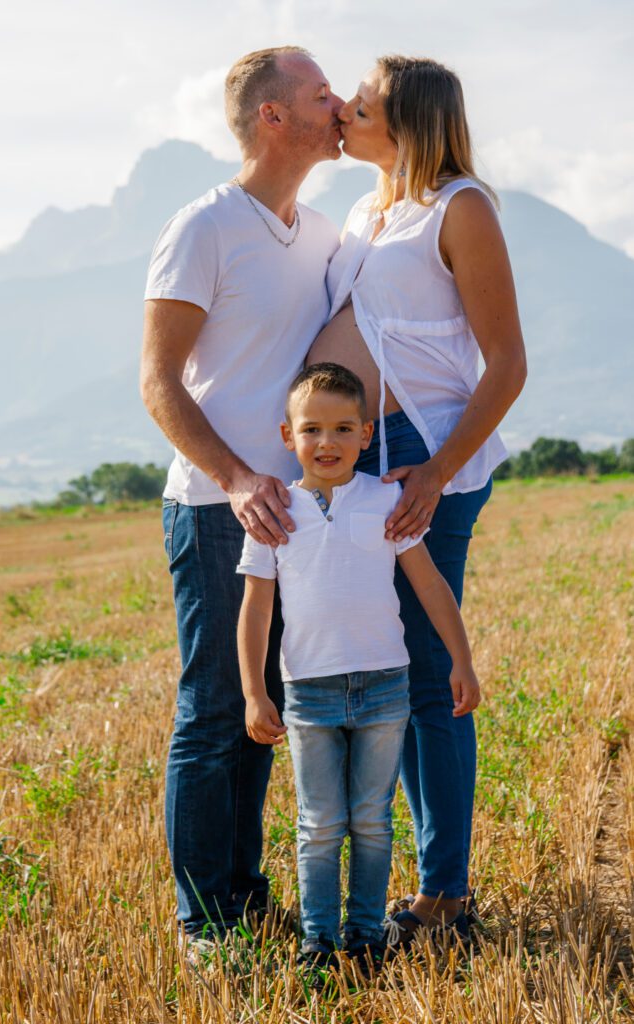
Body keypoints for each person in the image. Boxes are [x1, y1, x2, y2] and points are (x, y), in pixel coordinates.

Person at [306, 56, 527, 943]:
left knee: (429, 678)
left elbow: (506, 363)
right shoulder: (369, 209)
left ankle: (447, 898)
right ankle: (431, 887)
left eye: (358, 105)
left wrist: (434, 473)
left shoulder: (459, 207)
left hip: (420, 458)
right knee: (389, 670)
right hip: (356, 460)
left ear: (404, 123)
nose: (344, 113)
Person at [140, 46, 343, 951]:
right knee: (218, 710)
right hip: (218, 510)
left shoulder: (327, 232)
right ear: (272, 116)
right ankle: (204, 924)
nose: (338, 104)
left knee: (264, 710)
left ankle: (243, 898)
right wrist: (234, 477)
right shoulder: (204, 226)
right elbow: (156, 381)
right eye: (318, 94)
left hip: (295, 516)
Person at [237, 363, 481, 970]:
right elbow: (255, 611)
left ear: (367, 435)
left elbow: (429, 586)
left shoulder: (387, 500)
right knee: (319, 824)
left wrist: (462, 659)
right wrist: (253, 692)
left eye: (344, 428)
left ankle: (366, 937)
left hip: (383, 688)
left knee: (372, 822)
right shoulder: (273, 513)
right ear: (287, 436)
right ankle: (319, 941)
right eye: (312, 428)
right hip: (309, 692)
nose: (329, 442)